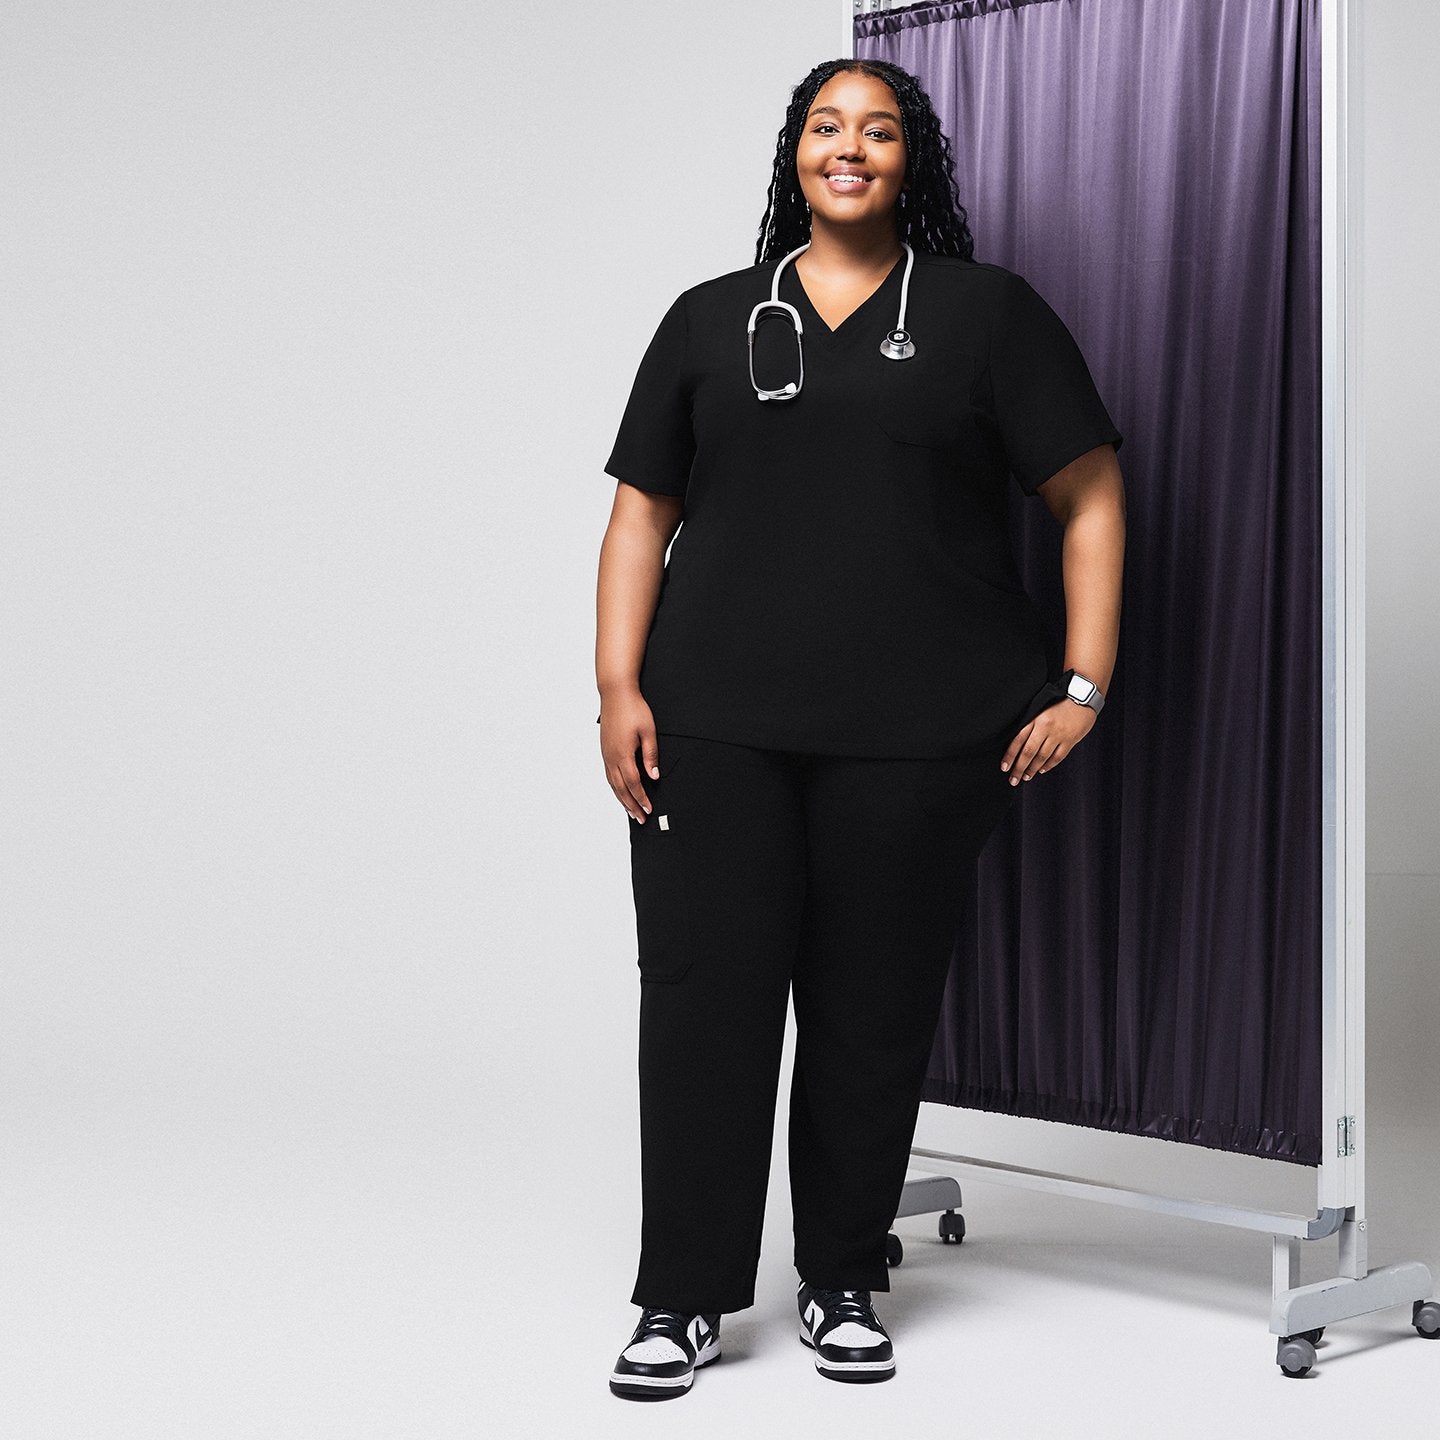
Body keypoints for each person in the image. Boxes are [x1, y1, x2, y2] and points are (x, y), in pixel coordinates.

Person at [594, 57, 1125, 1399]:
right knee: (705, 1010)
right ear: (793, 157)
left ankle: (839, 1277)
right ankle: (684, 1298)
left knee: (869, 1014)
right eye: (826, 128)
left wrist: (1082, 683)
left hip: (920, 733)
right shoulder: (712, 321)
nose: (850, 149)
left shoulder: (986, 316)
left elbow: (1092, 496)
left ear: (913, 163)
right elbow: (641, 517)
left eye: (878, 131)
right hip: (713, 726)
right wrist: (618, 689)